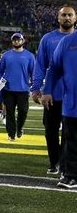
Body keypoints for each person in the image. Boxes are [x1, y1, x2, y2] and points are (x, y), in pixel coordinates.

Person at [32, 4, 75, 174]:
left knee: (69, 133)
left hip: (71, 96)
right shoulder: (48, 39)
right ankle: (54, 161)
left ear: (75, 18)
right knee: (50, 131)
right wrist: (36, 89)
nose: (67, 18)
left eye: (70, 15)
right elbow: (41, 65)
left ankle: (65, 165)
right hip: (52, 94)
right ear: (58, 18)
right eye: (63, 15)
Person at [42, 31, 77, 189]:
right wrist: (48, 91)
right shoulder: (67, 42)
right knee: (71, 140)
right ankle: (71, 176)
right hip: (72, 102)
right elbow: (54, 68)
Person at [0, 33, 35, 141]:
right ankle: (11, 134)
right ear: (12, 42)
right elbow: (0, 71)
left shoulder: (30, 56)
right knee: (9, 113)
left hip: (23, 89)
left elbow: (33, 73)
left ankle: (19, 128)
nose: (16, 41)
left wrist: (35, 86)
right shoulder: (6, 55)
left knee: (23, 111)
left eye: (18, 40)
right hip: (8, 89)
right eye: (14, 40)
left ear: (23, 41)